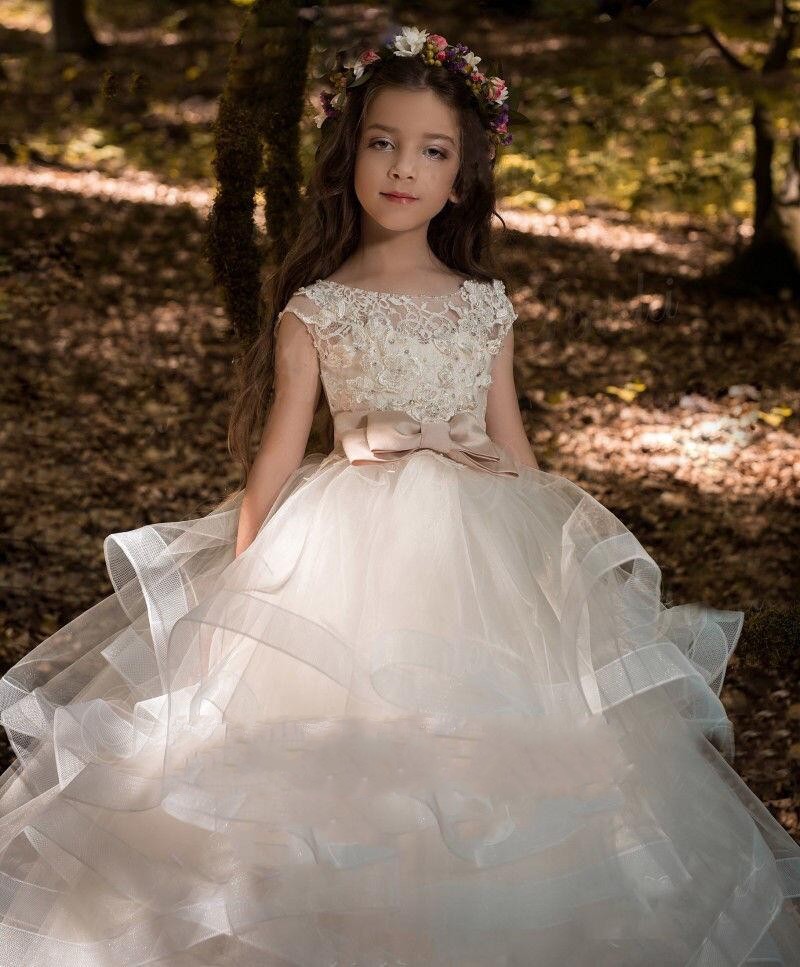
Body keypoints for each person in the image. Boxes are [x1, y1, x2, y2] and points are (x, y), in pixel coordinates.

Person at [0, 24, 798, 967]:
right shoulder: (318, 307)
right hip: (340, 548)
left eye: (432, 151)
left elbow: (518, 450)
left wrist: (559, 574)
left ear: (460, 179)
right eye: (383, 142)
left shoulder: (484, 304)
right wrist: (234, 600)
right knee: (331, 754)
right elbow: (274, 461)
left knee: (488, 759)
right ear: (349, 158)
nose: (403, 169)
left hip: (480, 548)